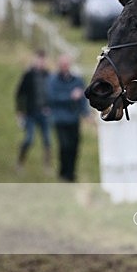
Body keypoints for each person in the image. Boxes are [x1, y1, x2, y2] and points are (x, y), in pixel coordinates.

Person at [47, 54, 89, 182]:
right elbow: (52, 98)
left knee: (74, 146)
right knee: (64, 146)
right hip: (60, 119)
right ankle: (64, 172)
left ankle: (71, 173)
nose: (65, 67)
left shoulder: (77, 80)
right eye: (62, 65)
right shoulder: (53, 80)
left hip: (73, 119)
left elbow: (82, 98)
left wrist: (86, 113)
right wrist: (70, 97)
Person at [15, 49, 52, 171]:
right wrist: (20, 112)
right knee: (29, 139)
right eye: (39, 60)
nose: (41, 63)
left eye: (42, 60)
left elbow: (51, 93)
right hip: (30, 113)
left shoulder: (48, 75)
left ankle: (47, 166)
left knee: (47, 140)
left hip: (44, 113)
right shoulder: (28, 75)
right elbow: (19, 94)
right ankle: (20, 162)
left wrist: (50, 107)